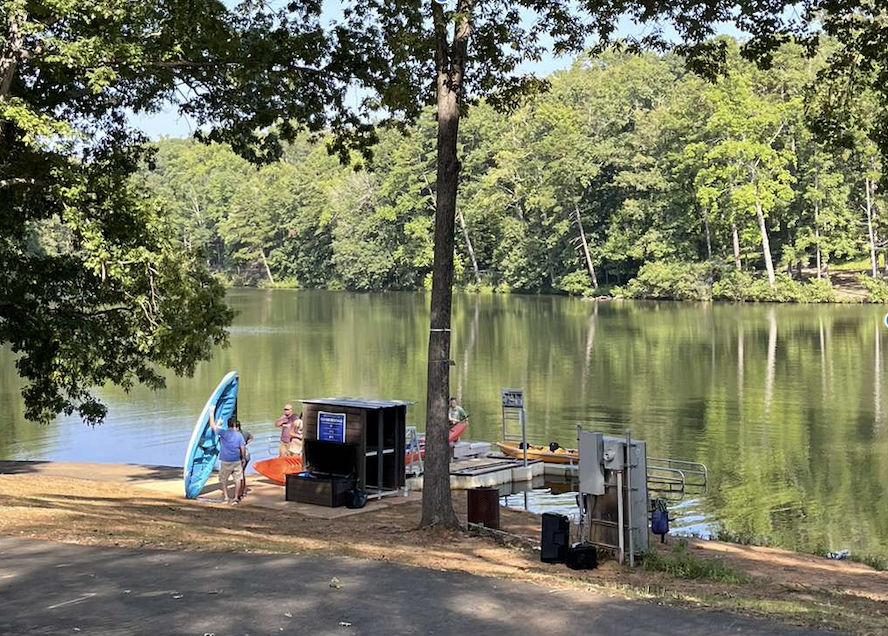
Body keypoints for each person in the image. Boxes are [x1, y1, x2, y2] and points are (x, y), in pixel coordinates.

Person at [209, 409, 245, 504]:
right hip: (236, 460)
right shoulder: (239, 435)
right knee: (237, 479)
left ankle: (226, 497)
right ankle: (236, 498)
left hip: (226, 460)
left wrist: (211, 413)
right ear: (234, 425)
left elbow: (212, 426)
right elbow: (242, 448)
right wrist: (243, 458)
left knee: (223, 479)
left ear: (228, 425)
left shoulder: (224, 433)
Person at [233, 420, 253, 501]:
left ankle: (240, 494)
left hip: (243, 456)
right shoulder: (244, 433)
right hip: (245, 454)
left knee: (239, 475)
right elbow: (251, 437)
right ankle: (241, 492)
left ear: (237, 427)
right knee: (241, 474)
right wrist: (246, 443)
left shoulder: (238, 435)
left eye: (233, 427)